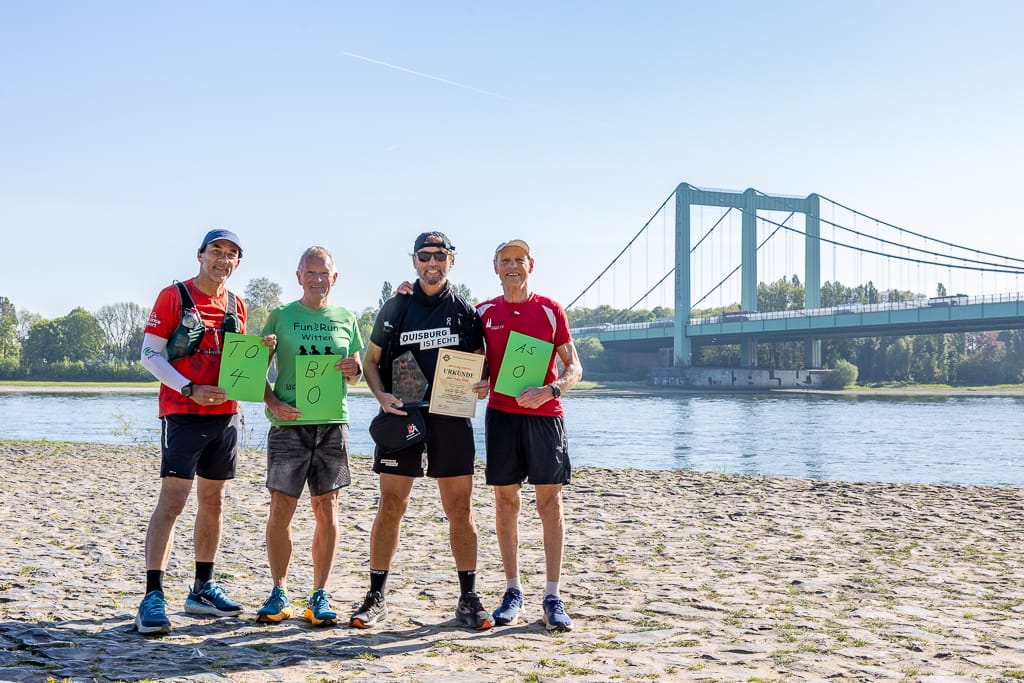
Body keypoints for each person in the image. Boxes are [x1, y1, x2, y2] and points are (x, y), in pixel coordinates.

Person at [349, 231, 492, 630]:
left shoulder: (465, 311)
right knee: (391, 506)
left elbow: (481, 362)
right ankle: (376, 597)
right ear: (414, 260)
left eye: (440, 256)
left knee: (460, 510)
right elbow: (371, 360)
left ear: (452, 261)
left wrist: (483, 382)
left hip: (450, 417)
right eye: (425, 256)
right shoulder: (396, 305)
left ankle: (468, 597)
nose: (433, 263)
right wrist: (380, 397)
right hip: (403, 416)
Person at [136, 229, 273, 635]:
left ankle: (201, 589)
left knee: (214, 500)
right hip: (182, 412)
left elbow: (237, 364)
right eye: (217, 251)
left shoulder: (238, 304)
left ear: (237, 263)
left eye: (232, 254)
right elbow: (149, 353)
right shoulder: (173, 296)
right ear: (201, 254)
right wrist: (189, 388)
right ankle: (153, 594)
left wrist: (259, 351)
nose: (223, 259)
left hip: (226, 416)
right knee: (174, 500)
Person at [475, 239, 583, 632]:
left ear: (531, 265)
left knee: (549, 503)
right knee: (506, 502)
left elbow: (575, 367)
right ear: (496, 267)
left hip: (545, 416)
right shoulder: (482, 312)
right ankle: (512, 590)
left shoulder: (551, 310)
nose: (513, 266)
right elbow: (474, 364)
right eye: (506, 261)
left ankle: (553, 595)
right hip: (501, 416)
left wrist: (551, 390)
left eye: (520, 260)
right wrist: (479, 380)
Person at [252, 247, 363, 627]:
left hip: (333, 424)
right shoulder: (281, 317)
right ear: (298, 276)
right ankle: (278, 591)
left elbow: (357, 373)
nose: (317, 279)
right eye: (310, 272)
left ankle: (319, 594)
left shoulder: (347, 318)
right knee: (281, 509)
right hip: (288, 426)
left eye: (324, 273)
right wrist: (273, 403)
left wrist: (355, 368)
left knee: (327, 509)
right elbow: (252, 372)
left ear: (335, 278)